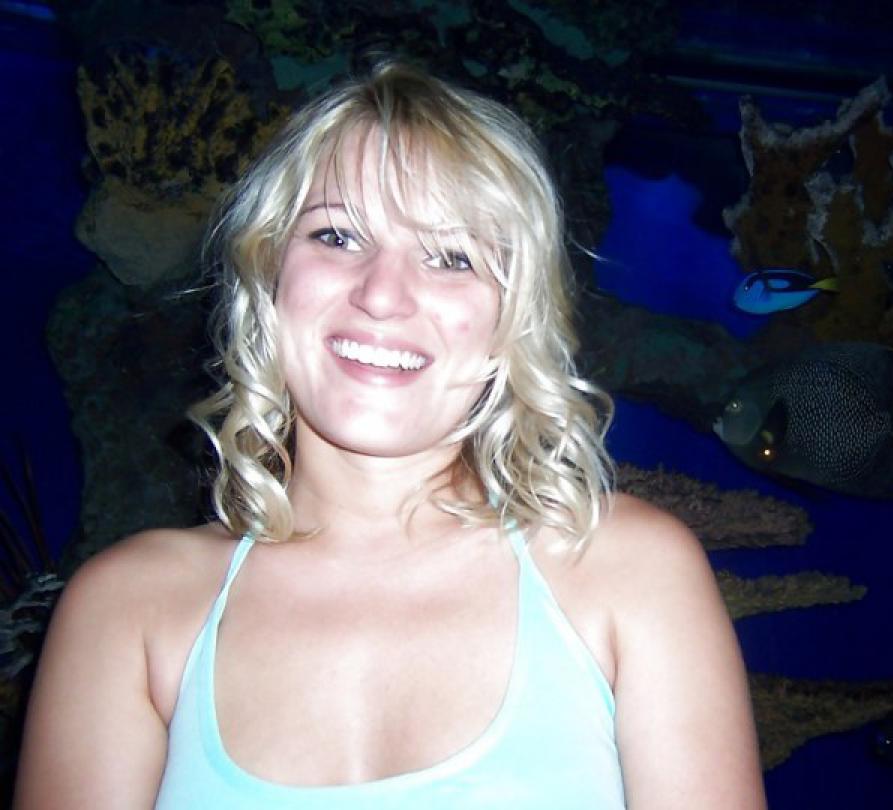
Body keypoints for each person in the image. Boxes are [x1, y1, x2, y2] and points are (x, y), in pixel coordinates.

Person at [15, 60, 766, 809]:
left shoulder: (630, 575)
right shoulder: (126, 610)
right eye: (338, 235)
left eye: (451, 256)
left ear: (514, 322)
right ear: (269, 278)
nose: (381, 294)